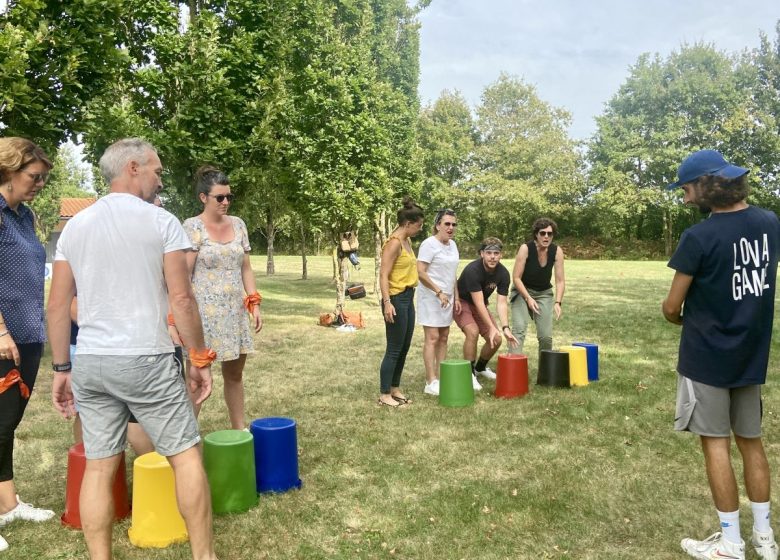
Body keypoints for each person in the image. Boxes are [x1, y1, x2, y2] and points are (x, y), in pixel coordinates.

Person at [48, 138, 218, 560]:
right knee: (186, 457)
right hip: (147, 358)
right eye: (157, 171)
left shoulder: (76, 226)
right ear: (134, 168)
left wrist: (61, 367)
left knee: (101, 465)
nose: (161, 180)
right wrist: (199, 358)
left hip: (90, 360)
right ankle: (204, 556)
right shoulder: (161, 223)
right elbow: (182, 301)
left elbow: (56, 304)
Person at [662, 149, 780, 560]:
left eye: (686, 188)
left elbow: (671, 307)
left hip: (707, 357)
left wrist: (685, 320)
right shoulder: (770, 223)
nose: (684, 196)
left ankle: (731, 544)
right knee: (752, 442)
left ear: (707, 185)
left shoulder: (699, 237)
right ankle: (765, 540)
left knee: (715, 444)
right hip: (751, 355)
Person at [0, 138, 55, 552]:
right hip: (3, 338)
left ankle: (8, 505)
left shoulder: (24, 215)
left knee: (8, 424)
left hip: (28, 334)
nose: (39, 184)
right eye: (34, 177)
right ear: (9, 170)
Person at [183, 166, 262, 430]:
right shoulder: (192, 227)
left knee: (235, 375)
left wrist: (254, 302)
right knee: (196, 378)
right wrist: (178, 316)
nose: (226, 202)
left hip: (234, 313)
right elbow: (183, 274)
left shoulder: (238, 224)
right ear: (203, 198)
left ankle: (239, 430)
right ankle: (186, 437)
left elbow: (246, 267)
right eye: (220, 197)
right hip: (202, 316)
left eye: (229, 197)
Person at [454, 237, 518, 390]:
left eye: (496, 253)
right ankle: (469, 374)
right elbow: (478, 302)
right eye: (489, 253)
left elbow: (502, 302)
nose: (492, 257)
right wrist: (490, 326)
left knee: (496, 338)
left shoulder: (503, 273)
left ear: (501, 255)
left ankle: (480, 368)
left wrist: (505, 328)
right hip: (462, 301)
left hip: (480, 303)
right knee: (473, 331)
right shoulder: (473, 270)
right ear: (482, 253)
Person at [378, 198, 424, 407]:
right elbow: (384, 275)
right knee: (394, 348)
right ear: (408, 224)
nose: (420, 229)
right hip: (395, 299)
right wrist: (387, 302)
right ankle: (384, 393)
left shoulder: (407, 241)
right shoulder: (394, 243)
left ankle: (395, 388)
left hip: (408, 297)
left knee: (404, 347)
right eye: (418, 225)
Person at [416, 209, 460, 396]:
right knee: (432, 337)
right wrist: (438, 292)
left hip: (447, 298)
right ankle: (430, 380)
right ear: (437, 225)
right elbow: (421, 272)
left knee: (444, 337)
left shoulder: (453, 245)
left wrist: (456, 296)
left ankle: (441, 379)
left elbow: (452, 274)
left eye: (453, 224)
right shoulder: (429, 244)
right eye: (447, 224)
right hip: (431, 297)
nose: (450, 228)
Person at [509, 218, 565, 361]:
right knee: (519, 330)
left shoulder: (557, 251)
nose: (546, 236)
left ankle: (546, 373)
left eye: (550, 234)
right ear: (536, 234)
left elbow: (560, 280)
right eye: (543, 233)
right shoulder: (525, 248)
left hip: (544, 294)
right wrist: (528, 298)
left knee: (545, 336)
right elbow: (516, 278)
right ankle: (513, 368)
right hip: (522, 291)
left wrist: (558, 302)